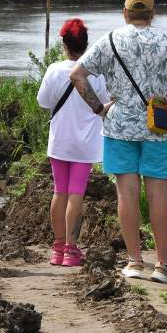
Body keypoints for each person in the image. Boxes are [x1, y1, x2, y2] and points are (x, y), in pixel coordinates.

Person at [71, 0, 167, 284]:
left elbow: (77, 75)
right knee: (159, 192)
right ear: (153, 14)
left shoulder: (110, 40)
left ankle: (134, 261)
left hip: (119, 126)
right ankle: (163, 265)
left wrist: (99, 108)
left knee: (127, 192)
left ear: (125, 13)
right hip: (158, 125)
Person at [36, 18, 109, 267]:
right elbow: (104, 103)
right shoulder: (96, 73)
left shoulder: (54, 70)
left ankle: (57, 249)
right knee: (76, 194)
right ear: (86, 44)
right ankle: (71, 250)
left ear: (64, 44)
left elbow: (43, 102)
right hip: (85, 144)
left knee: (59, 191)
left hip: (60, 141)